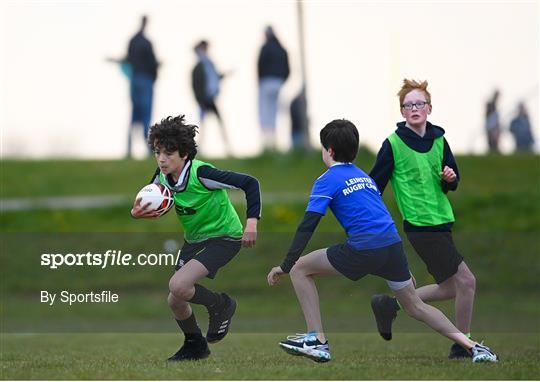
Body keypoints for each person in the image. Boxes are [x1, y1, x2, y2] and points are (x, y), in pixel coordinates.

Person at [266, 119, 498, 364]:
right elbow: (380, 216)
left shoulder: (327, 180)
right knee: (415, 306)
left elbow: (307, 226)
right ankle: (474, 347)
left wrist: (286, 264)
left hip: (364, 248)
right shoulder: (364, 177)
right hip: (392, 247)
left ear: (330, 151)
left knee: (300, 269)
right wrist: (403, 267)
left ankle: (317, 340)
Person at [131, 115, 261, 361]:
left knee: (178, 285)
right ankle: (195, 345)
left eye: (169, 153)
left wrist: (252, 222)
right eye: (157, 152)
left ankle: (221, 305)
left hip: (225, 237)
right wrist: (137, 213)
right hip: (195, 240)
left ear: (184, 153)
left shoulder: (202, 174)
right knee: (175, 300)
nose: (161, 159)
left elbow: (250, 183)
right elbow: (150, 203)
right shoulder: (161, 177)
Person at [369, 79, 478, 360]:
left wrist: (450, 178)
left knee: (451, 287)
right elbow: (374, 187)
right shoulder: (393, 144)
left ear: (429, 108)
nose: (414, 108)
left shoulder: (440, 140)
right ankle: (462, 345)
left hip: (442, 221)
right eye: (408, 105)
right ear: (402, 112)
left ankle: (392, 304)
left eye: (419, 103)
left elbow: (450, 179)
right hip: (420, 226)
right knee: (466, 281)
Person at [126, 15, 159, 158]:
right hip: (145, 80)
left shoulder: (133, 41)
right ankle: (148, 150)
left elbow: (128, 59)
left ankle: (129, 149)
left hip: (135, 80)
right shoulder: (146, 43)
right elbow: (153, 63)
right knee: (145, 116)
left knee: (134, 117)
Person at [191, 40, 231, 155]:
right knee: (201, 126)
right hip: (204, 100)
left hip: (210, 99)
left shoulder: (208, 65)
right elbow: (196, 86)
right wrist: (199, 100)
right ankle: (198, 149)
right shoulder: (199, 67)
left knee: (215, 122)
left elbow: (214, 79)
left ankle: (226, 146)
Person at [257, 26, 290, 150]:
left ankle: (268, 143)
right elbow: (288, 69)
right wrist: (281, 80)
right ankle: (275, 142)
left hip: (266, 82)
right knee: (275, 113)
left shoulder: (265, 48)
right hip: (279, 83)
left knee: (266, 113)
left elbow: (259, 66)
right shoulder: (282, 49)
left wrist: (260, 81)